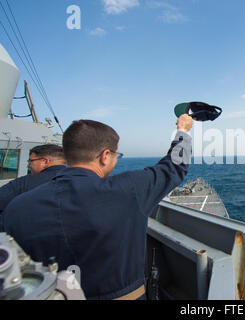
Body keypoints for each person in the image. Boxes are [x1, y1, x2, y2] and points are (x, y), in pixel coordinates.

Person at [3, 115, 193, 300]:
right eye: (116, 155)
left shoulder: (17, 207)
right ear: (105, 156)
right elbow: (174, 167)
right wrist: (182, 130)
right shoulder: (129, 190)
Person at [0, 144, 66, 231]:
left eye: (31, 161)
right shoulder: (79, 182)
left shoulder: (23, 183)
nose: (28, 165)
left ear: (45, 161)